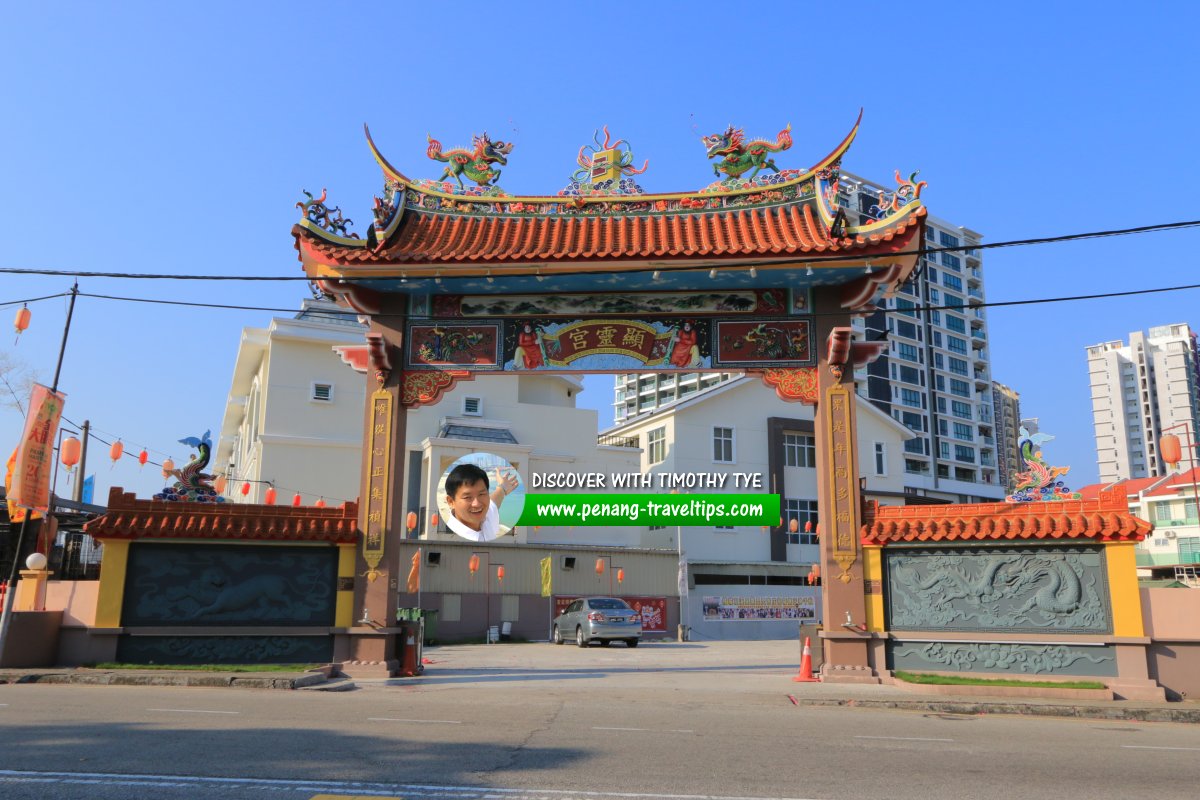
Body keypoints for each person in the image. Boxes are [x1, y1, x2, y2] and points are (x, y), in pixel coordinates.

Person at [443, 463, 519, 542]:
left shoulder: (486, 517)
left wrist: (503, 487)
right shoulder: (451, 537)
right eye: (467, 497)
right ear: (451, 501)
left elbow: (494, 501)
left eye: (481, 494)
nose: (477, 504)